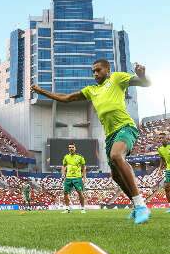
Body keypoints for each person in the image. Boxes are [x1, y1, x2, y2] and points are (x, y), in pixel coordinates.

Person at [31, 59, 151, 224]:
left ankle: (141, 205)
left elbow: (145, 83)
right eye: (93, 71)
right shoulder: (91, 90)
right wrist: (41, 91)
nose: (95, 74)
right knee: (115, 176)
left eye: (98, 70)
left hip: (125, 127)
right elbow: (65, 98)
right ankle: (137, 205)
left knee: (117, 156)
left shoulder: (116, 78)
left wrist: (142, 75)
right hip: (110, 136)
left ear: (107, 70)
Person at [61, 143, 87, 214]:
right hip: (68, 178)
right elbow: (63, 166)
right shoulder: (66, 157)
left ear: (75, 148)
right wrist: (63, 174)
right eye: (69, 147)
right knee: (65, 193)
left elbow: (84, 167)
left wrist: (84, 177)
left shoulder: (80, 157)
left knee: (80, 192)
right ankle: (67, 209)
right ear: (68, 148)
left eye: (72, 147)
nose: (71, 148)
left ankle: (82, 208)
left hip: (77, 178)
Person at [157, 132, 170, 213]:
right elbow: (162, 159)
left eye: (162, 138)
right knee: (167, 188)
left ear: (166, 138)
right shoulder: (160, 149)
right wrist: (159, 169)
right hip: (168, 169)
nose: (161, 139)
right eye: (160, 138)